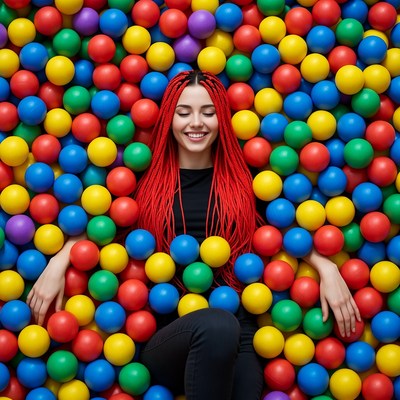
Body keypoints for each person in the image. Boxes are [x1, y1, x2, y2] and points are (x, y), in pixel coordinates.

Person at [27, 70, 361, 399]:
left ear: (222, 120)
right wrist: (61, 257)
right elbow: (104, 227)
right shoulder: (140, 185)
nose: (196, 123)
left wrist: (326, 267)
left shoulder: (250, 183)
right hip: (164, 333)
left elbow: (286, 231)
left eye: (208, 112)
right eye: (183, 112)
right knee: (217, 325)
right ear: (169, 120)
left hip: (240, 333)